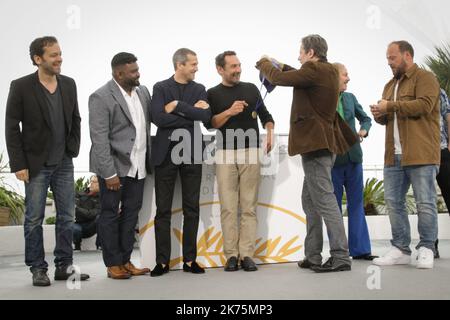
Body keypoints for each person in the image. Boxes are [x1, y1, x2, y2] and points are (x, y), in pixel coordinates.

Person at [256, 35, 358, 273]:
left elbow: (279, 78)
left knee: (324, 200)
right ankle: (313, 255)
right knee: (310, 202)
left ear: (311, 53)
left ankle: (341, 256)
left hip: (316, 146)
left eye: (301, 52)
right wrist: (281, 64)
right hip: (323, 144)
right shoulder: (327, 71)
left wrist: (263, 62)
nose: (298, 56)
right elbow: (296, 75)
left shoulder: (314, 70)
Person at [5, 36, 89, 286]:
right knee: (33, 218)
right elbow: (11, 127)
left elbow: (76, 119)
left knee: (66, 217)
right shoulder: (21, 86)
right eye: (53, 55)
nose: (59, 58)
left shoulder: (69, 84)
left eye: (60, 53)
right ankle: (37, 268)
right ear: (38, 59)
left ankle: (64, 266)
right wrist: (19, 164)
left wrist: (73, 149)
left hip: (64, 162)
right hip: (35, 164)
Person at [370, 41, 440, 269]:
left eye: (392, 58)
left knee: (425, 203)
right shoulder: (390, 85)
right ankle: (400, 249)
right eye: (387, 58)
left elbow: (425, 106)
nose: (389, 62)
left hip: (421, 154)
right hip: (394, 156)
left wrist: (390, 106)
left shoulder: (426, 78)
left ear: (407, 56)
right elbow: (389, 115)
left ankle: (427, 248)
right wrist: (379, 113)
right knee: (393, 202)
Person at [207, 51, 275, 272]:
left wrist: (270, 132)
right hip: (225, 153)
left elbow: (266, 115)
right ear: (220, 69)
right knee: (228, 208)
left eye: (238, 65)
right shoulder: (212, 93)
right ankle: (231, 256)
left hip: (251, 151)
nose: (237, 70)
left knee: (249, 207)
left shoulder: (251, 88)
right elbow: (211, 124)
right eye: (232, 66)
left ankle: (247, 255)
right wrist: (229, 111)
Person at [89, 52, 152, 279]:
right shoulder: (101, 97)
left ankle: (126, 260)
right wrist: (108, 174)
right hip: (115, 169)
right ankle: (112, 264)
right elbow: (99, 139)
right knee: (109, 215)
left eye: (137, 69)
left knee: (130, 215)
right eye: (133, 71)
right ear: (119, 73)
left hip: (139, 166)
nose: (138, 73)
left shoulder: (143, 92)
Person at [150, 48, 211, 277]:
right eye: (193, 64)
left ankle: (189, 260)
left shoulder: (200, 89)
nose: (197, 68)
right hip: (165, 154)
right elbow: (158, 119)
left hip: (192, 152)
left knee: (192, 209)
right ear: (180, 65)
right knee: (163, 210)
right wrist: (191, 111)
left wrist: (176, 106)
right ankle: (162, 262)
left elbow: (205, 118)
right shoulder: (160, 87)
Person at [331, 63, 377, 260]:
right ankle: (338, 252)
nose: (348, 78)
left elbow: (366, 118)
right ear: (334, 77)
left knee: (356, 204)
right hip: (332, 161)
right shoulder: (322, 100)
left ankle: (360, 250)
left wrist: (364, 130)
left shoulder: (350, 98)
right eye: (345, 75)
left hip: (354, 158)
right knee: (333, 208)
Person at [435, 88, 450, 258]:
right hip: (421, 155)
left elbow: (448, 115)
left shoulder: (439, 91)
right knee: (427, 201)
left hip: (442, 150)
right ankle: (431, 245)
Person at [73, 175, 101, 251]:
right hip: (78, 224)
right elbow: (74, 209)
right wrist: (85, 212)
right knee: (74, 228)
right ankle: (77, 246)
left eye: (95, 182)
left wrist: (78, 209)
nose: (92, 184)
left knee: (101, 218)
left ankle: (100, 245)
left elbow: (94, 213)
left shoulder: (101, 198)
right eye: (91, 181)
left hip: (91, 226)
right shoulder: (79, 194)